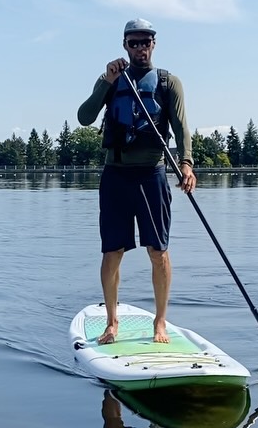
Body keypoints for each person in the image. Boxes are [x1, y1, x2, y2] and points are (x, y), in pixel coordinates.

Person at [77, 18, 195, 345]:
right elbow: (85, 117)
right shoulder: (113, 78)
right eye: (133, 42)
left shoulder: (169, 82)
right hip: (115, 175)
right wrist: (105, 81)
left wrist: (186, 163)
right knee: (112, 251)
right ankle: (112, 323)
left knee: (158, 251)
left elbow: (183, 128)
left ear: (154, 44)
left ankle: (160, 323)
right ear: (125, 45)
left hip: (151, 174)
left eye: (146, 42)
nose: (140, 48)